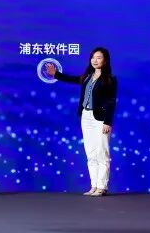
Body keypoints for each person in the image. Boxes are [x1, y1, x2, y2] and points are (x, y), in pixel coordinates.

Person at [45, 48, 117, 196]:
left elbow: (111, 101)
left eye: (99, 57)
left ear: (105, 60)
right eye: (93, 57)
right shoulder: (87, 76)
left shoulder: (110, 79)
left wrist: (108, 122)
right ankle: (94, 185)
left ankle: (102, 186)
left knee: (101, 152)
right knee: (90, 152)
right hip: (86, 116)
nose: (95, 60)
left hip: (101, 119)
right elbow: (72, 79)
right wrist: (56, 74)